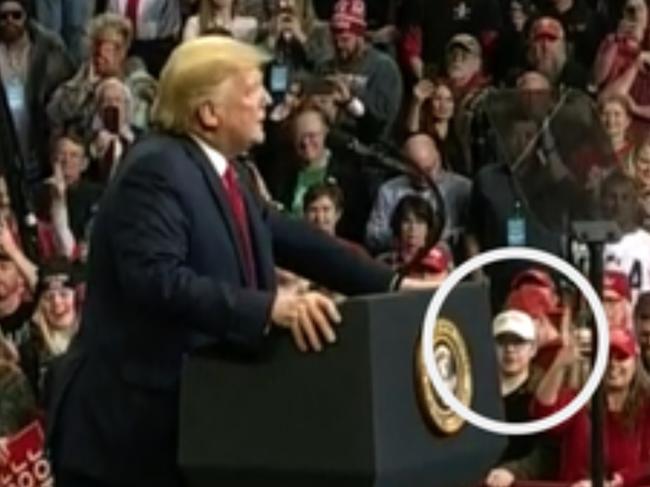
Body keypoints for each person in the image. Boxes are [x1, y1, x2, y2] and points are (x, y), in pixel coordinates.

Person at [46, 36, 427, 487]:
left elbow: (294, 239)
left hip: (186, 431)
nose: (267, 98)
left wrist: (393, 286)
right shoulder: (155, 169)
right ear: (209, 112)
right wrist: (269, 308)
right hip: (125, 441)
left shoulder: (220, 170)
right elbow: (155, 280)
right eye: (251, 90)